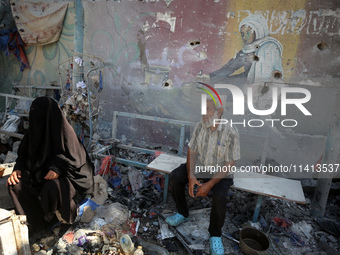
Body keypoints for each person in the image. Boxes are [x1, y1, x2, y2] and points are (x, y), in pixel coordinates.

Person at [7, 96, 94, 234]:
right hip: (38, 175)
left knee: (53, 186)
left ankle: (60, 219)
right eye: (32, 112)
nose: (35, 118)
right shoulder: (32, 134)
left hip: (67, 177)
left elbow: (76, 159)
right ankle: (34, 223)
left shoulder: (64, 133)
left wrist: (57, 168)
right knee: (15, 184)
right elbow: (23, 155)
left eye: (39, 113)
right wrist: (17, 169)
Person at [166, 98, 240, 255]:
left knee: (220, 195)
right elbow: (192, 152)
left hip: (221, 172)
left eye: (208, 109)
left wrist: (209, 185)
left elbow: (229, 164)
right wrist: (191, 175)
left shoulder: (231, 132)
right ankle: (183, 213)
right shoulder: (200, 127)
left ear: (219, 112)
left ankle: (215, 235)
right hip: (201, 166)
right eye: (202, 109)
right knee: (176, 176)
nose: (204, 114)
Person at [209, 14, 283, 87]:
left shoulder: (270, 46)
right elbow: (231, 66)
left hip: (267, 85)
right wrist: (212, 77)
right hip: (248, 80)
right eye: (242, 33)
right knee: (222, 83)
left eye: (248, 33)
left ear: (257, 31)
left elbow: (273, 72)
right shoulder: (247, 49)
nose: (244, 37)